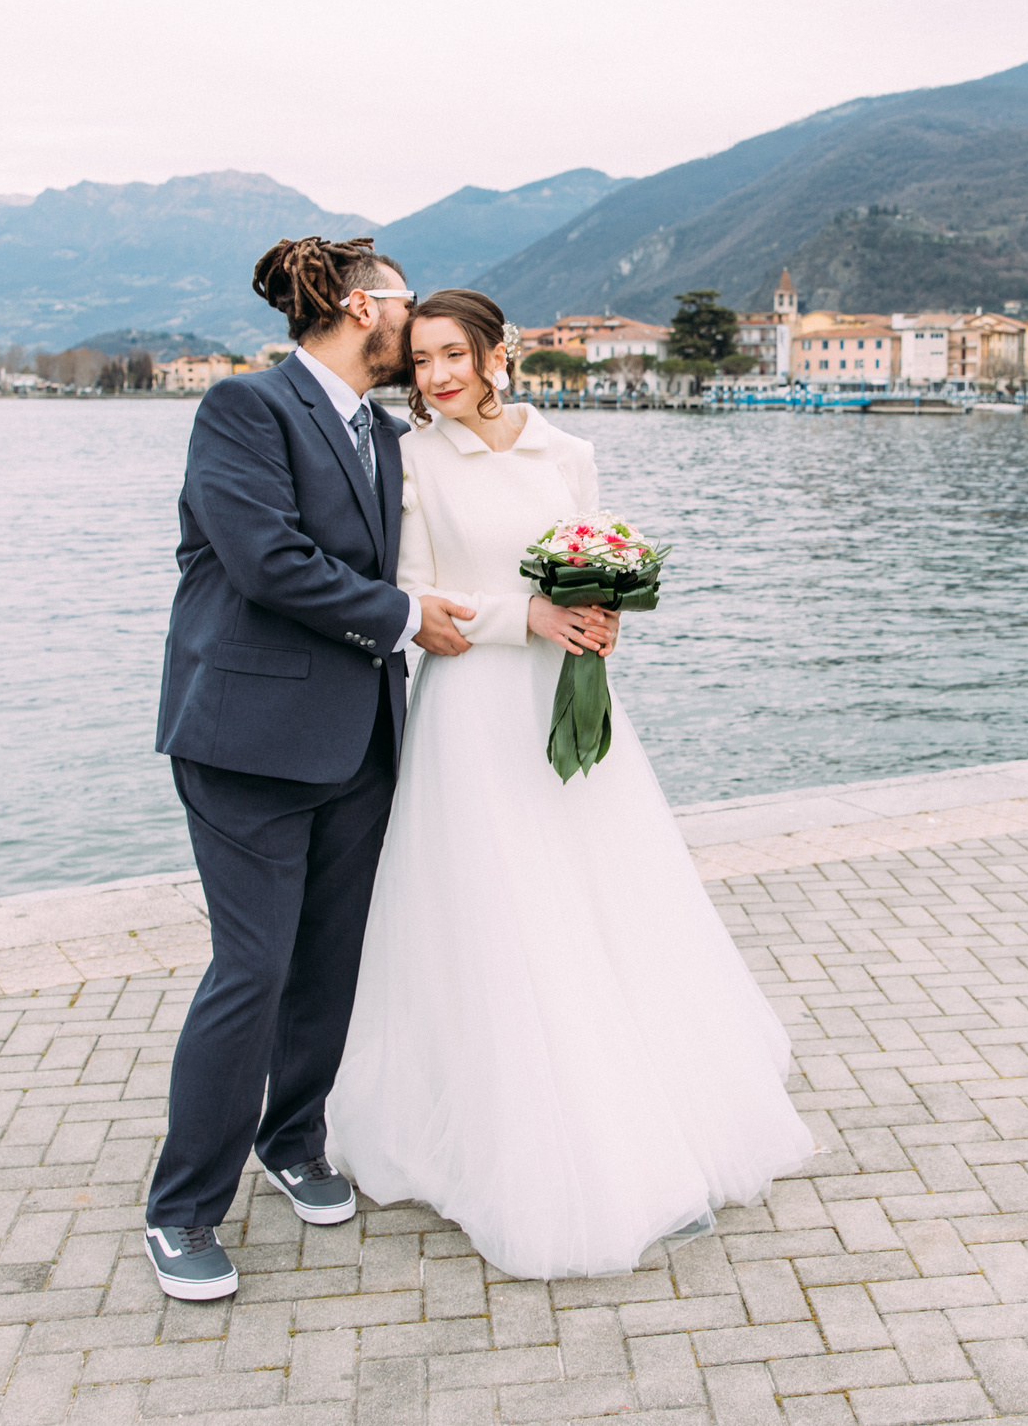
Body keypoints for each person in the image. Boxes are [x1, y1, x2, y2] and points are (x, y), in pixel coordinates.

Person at [327, 288, 814, 1280]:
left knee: (598, 897)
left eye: (453, 355)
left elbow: (590, 562)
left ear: (499, 354)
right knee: (498, 912)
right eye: (420, 361)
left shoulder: (568, 455)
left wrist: (599, 617)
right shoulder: (410, 461)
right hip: (471, 712)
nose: (436, 377)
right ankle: (499, 1130)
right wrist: (529, 620)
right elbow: (419, 600)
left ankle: (633, 1104)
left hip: (569, 704)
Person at [142, 237, 481, 1301]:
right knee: (252, 971)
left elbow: (432, 548)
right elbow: (264, 558)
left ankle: (293, 1141)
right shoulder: (244, 412)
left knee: (329, 963)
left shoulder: (384, 432)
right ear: (354, 305)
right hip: (245, 739)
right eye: (402, 302)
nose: (413, 320)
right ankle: (182, 1210)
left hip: (360, 738)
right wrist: (400, 616)